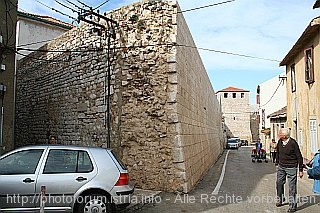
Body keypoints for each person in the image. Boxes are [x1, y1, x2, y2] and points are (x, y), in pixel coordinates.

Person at [275, 128, 303, 212]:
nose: (278, 135)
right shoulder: (280, 141)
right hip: (281, 166)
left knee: (292, 188)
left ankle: (292, 206)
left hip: (291, 167)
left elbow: (299, 156)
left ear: (284, 136)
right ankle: (280, 199)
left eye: (280, 134)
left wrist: (300, 170)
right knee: (279, 183)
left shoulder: (293, 143)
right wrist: (277, 163)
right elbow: (278, 152)